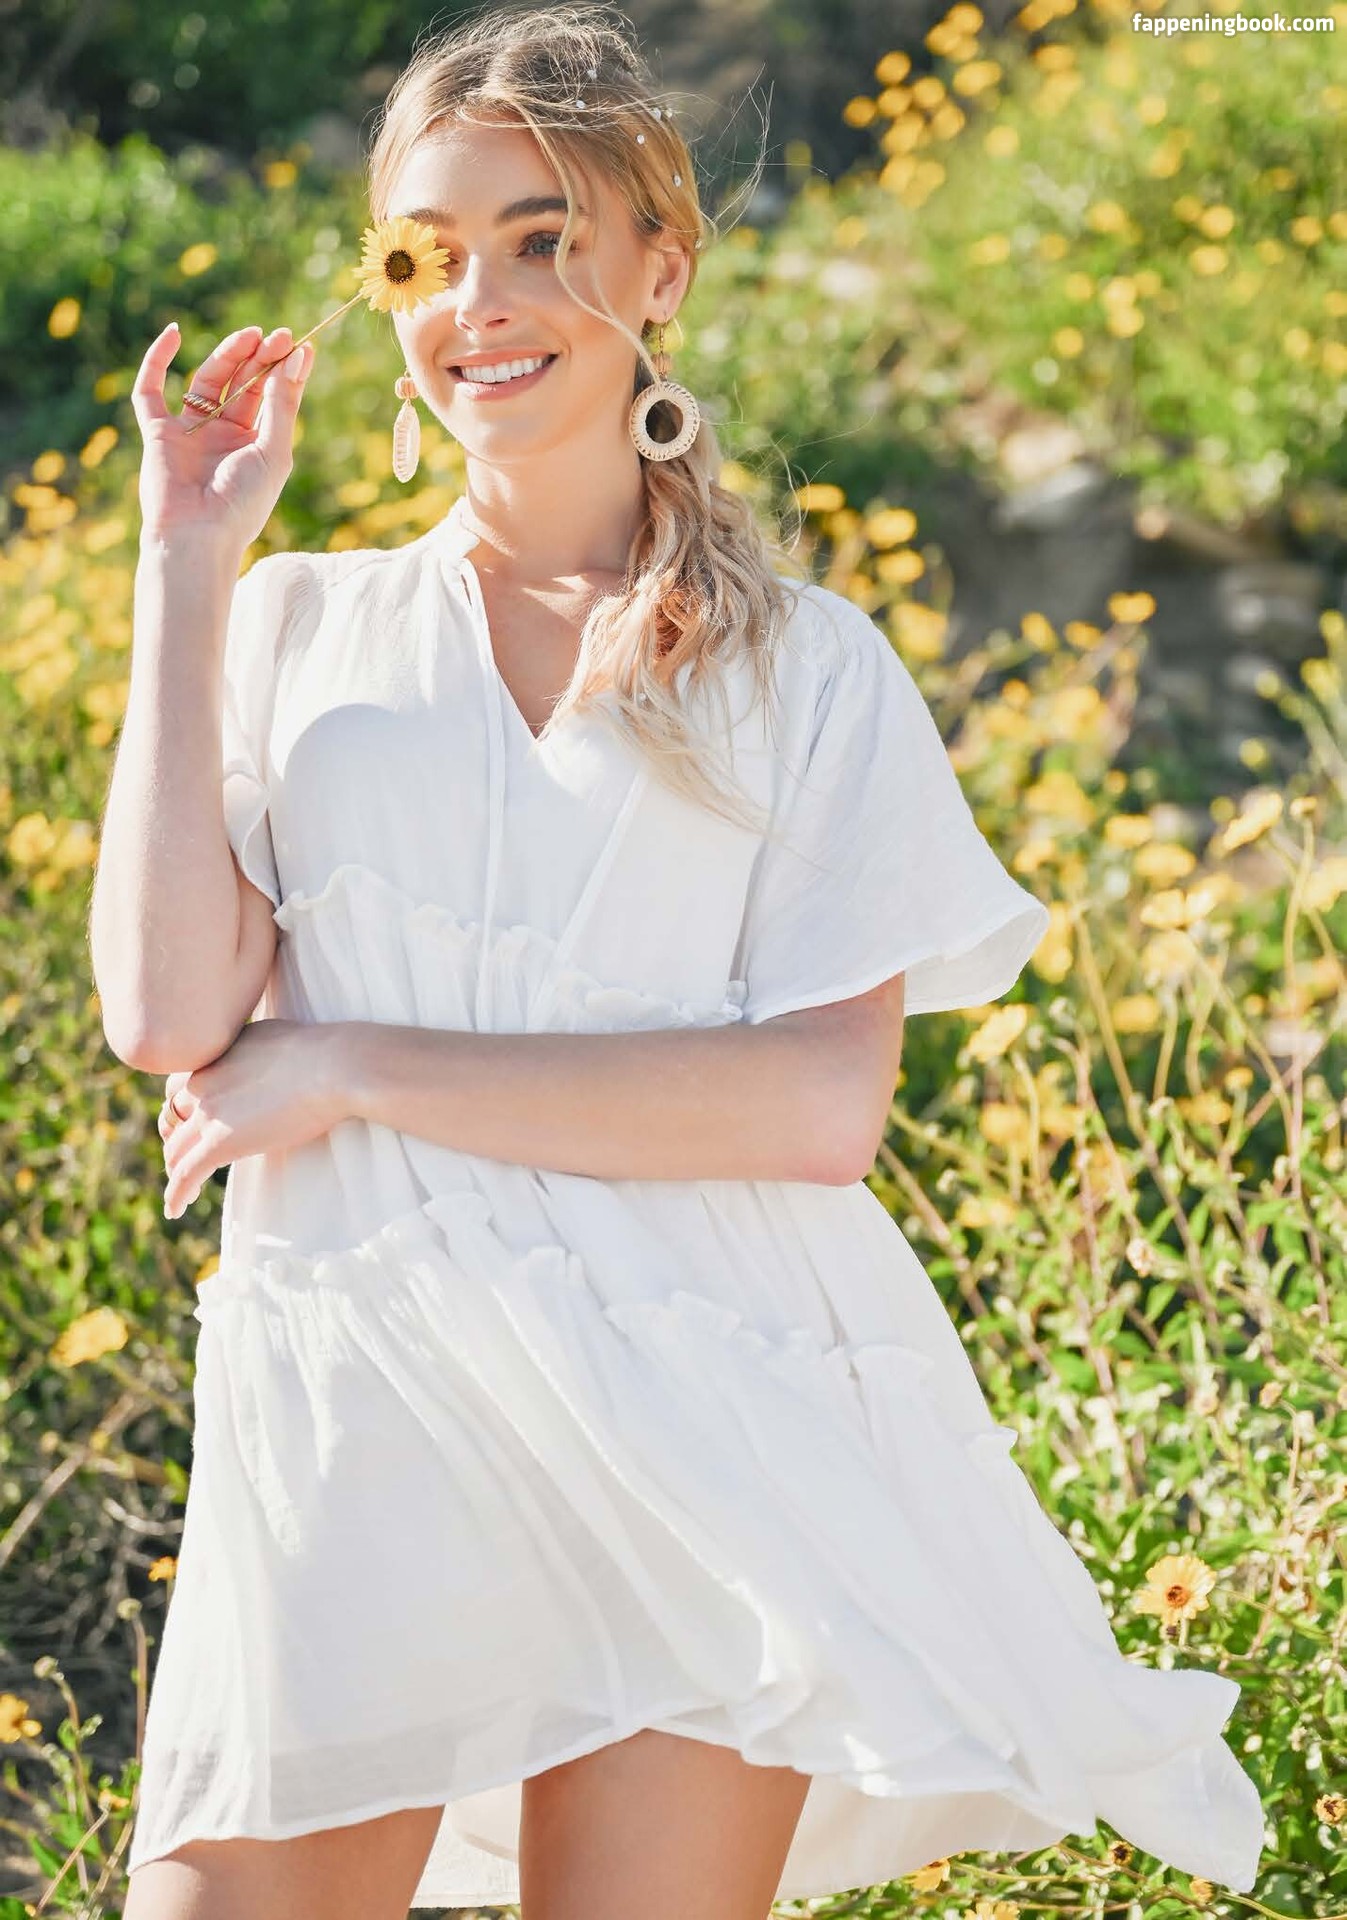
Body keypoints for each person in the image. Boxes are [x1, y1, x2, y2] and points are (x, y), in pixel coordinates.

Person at [92, 5, 1266, 1917]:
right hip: (359, 1383)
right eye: (423, 255)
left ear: (662, 268)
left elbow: (815, 1107)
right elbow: (163, 1015)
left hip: (705, 1414)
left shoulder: (807, 670)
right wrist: (183, 559)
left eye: (542, 238)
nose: (479, 302)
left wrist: (355, 1064)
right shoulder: (295, 623)